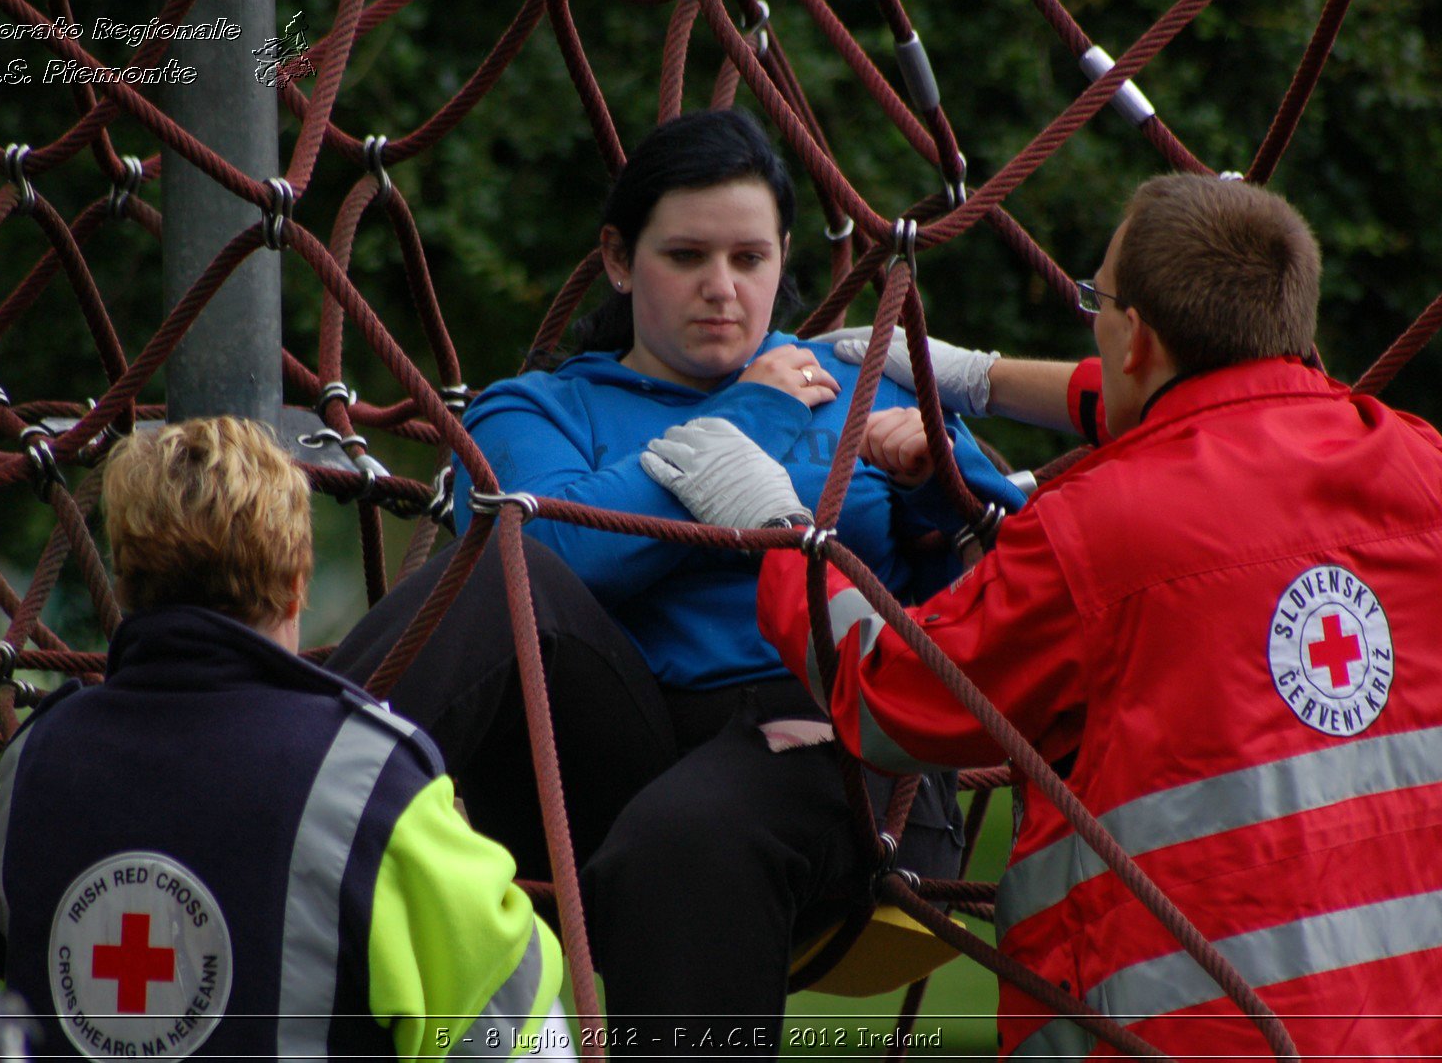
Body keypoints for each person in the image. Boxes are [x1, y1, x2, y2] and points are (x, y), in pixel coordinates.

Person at [645, 172, 1442, 1059]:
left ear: (1137, 340)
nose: (1092, 317)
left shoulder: (1094, 529)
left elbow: (897, 699)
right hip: (1420, 1012)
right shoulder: (1410, 462)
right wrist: (989, 382)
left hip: (1181, 1024)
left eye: (1099, 302)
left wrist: (784, 532)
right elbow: (1245, 407)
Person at [330, 108, 1029, 1053]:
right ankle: (298, 776)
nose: (722, 289)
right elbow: (554, 558)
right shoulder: (541, 408)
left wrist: (935, 487)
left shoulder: (865, 383)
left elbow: (1015, 553)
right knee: (508, 561)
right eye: (686, 256)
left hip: (852, 749)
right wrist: (748, 418)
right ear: (620, 260)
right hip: (618, 749)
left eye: (749, 259)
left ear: (785, 259)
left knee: (690, 838)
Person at [0, 417, 567, 1061]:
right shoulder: (371, 781)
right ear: (295, 587)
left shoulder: (30, 759)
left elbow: (7, 948)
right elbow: (508, 1027)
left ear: (123, 583)